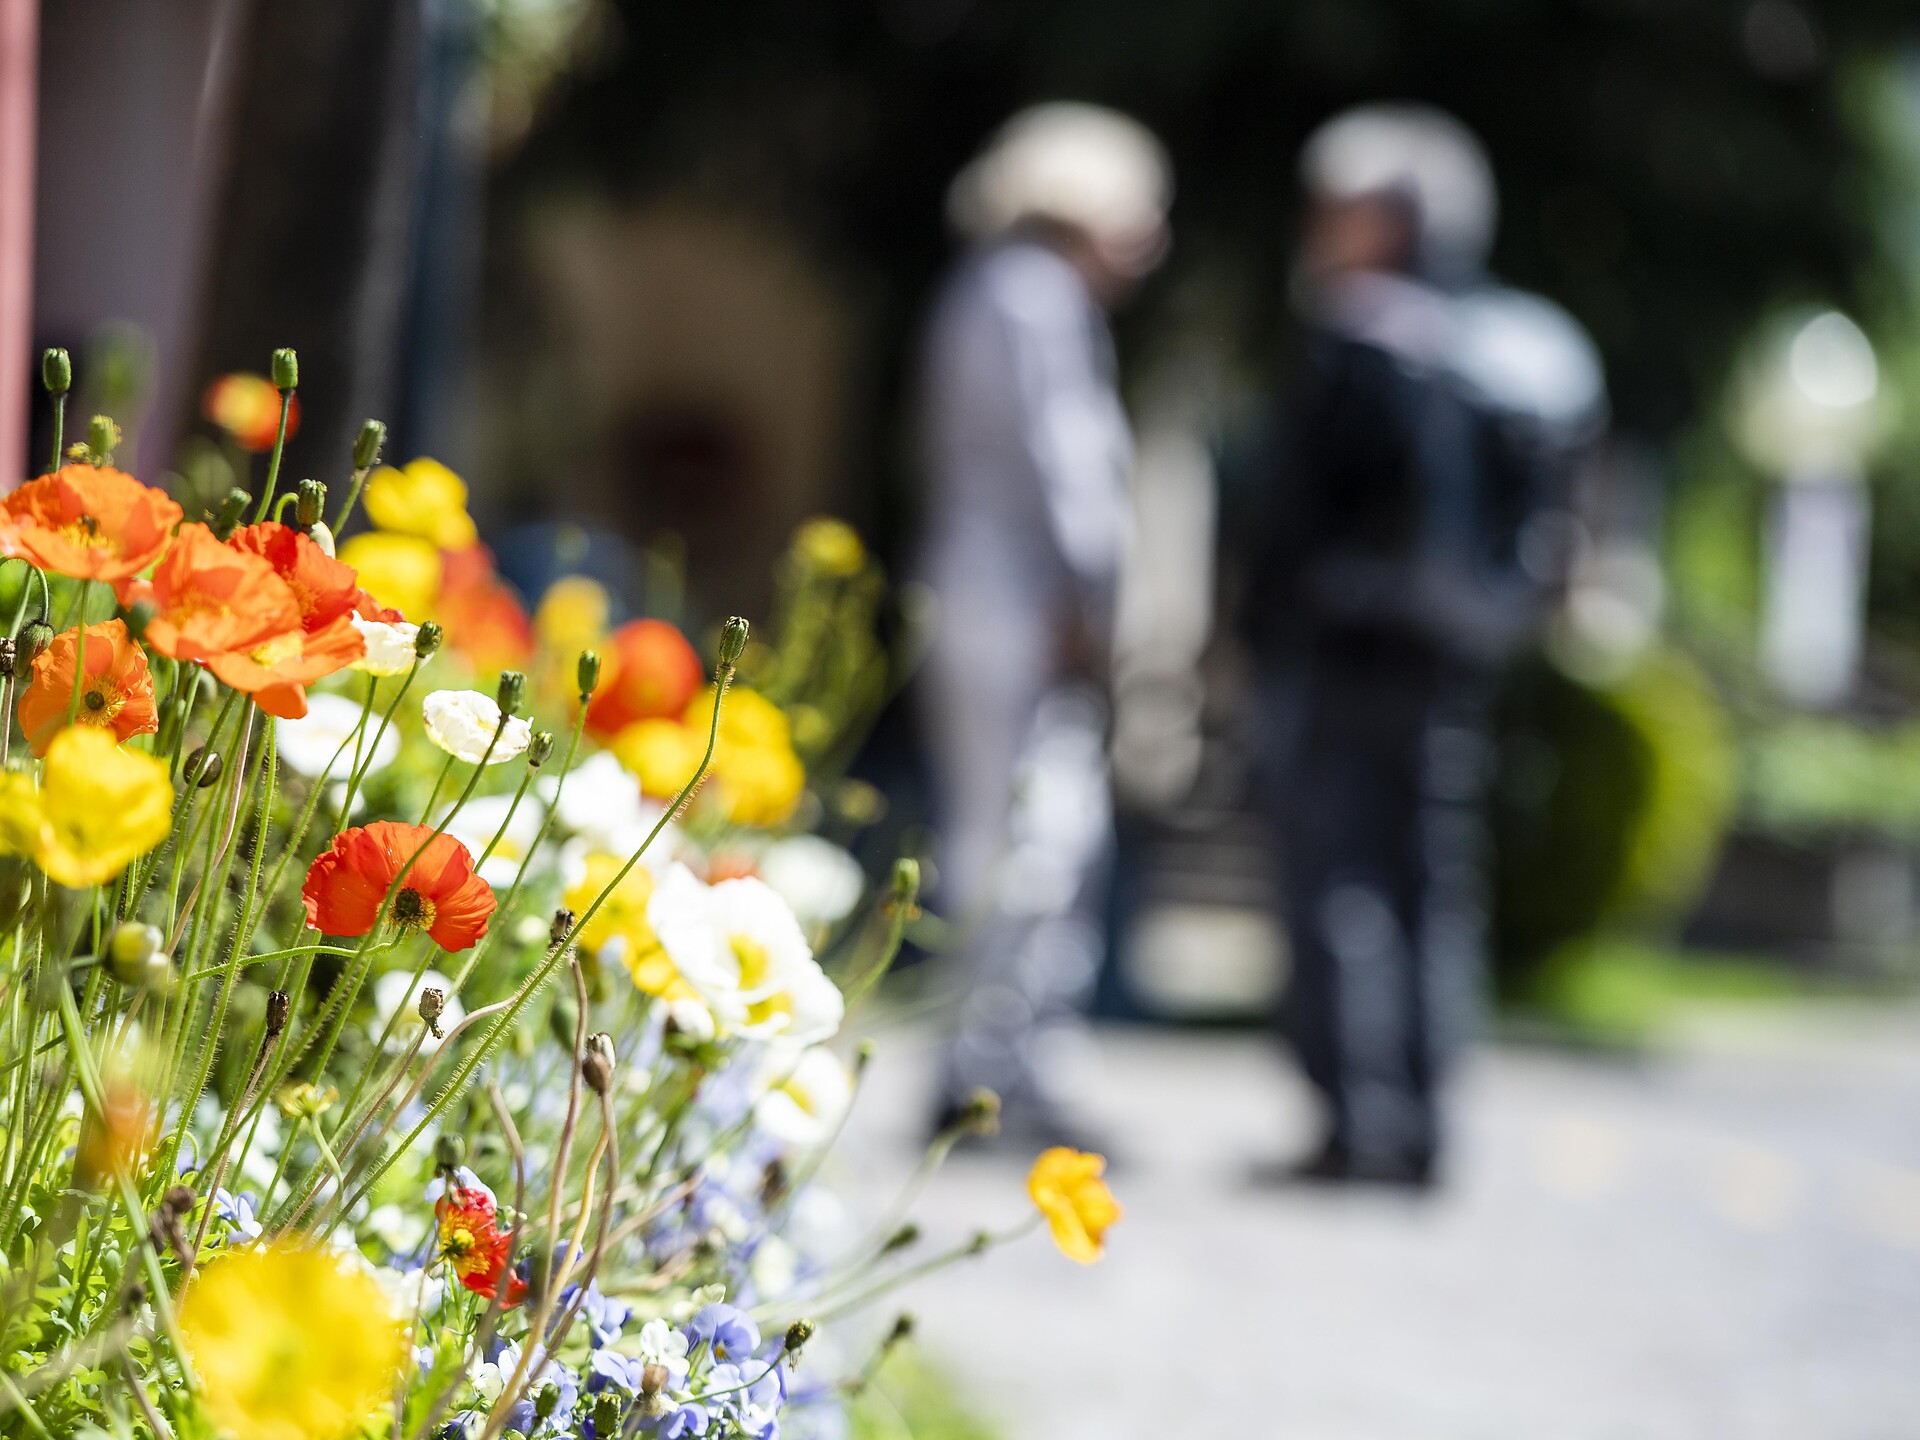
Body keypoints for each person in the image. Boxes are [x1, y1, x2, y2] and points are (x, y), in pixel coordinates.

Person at [1248, 105, 1605, 1185]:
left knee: (1343, 882)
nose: (1317, 227)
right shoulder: (1532, 343)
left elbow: (1294, 511)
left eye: (1334, 208)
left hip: (1351, 644)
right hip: (1456, 656)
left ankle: (1356, 1124)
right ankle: (1425, 1126)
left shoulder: (1358, 334)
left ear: (1386, 221)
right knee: (1433, 886)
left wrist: (1263, 624)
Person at [915, 103, 1171, 1146]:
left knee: (1002, 830)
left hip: (978, 587)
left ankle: (989, 1057)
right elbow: (1069, 477)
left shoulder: (984, 290)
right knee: (1037, 836)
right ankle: (1001, 1066)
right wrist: (1094, 603)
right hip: (1021, 600)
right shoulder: (1037, 298)